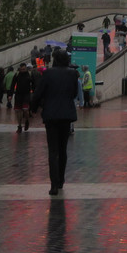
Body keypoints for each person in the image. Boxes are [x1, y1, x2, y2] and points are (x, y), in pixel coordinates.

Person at [31, 49, 80, 196]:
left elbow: (38, 93)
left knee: (53, 150)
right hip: (66, 114)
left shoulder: (48, 73)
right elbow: (74, 94)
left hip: (51, 115)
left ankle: (53, 184)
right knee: (62, 148)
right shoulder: (72, 73)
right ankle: (61, 180)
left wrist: (34, 108)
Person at [12, 62, 33, 133]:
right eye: (21, 69)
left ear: (26, 68)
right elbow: (13, 84)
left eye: (24, 69)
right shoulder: (17, 75)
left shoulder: (29, 75)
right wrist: (10, 95)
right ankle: (19, 126)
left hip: (26, 94)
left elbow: (34, 83)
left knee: (25, 109)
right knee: (18, 111)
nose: (22, 71)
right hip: (18, 95)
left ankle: (27, 120)